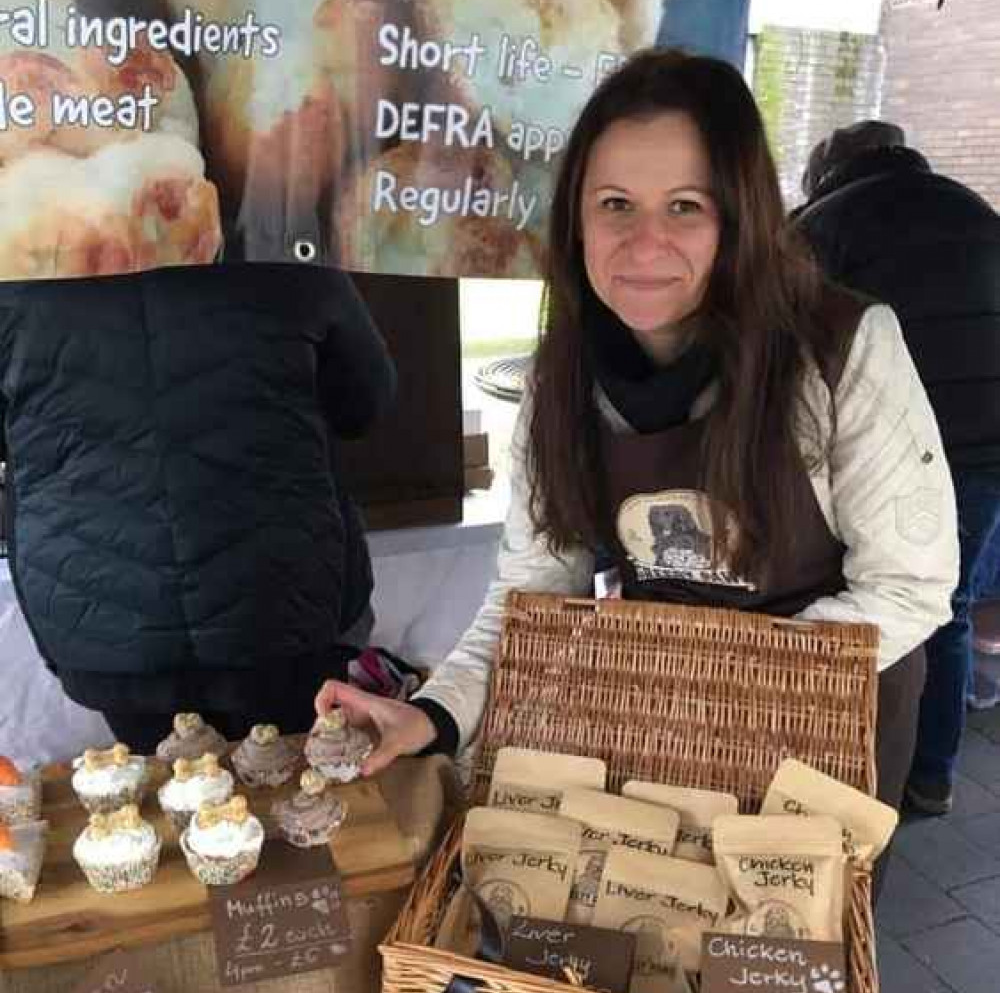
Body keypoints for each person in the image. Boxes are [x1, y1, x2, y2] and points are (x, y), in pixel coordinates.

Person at [315, 49, 958, 828]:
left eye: (685, 205)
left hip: (823, 736)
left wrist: (701, 687)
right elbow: (533, 589)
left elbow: (909, 588)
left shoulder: (842, 348)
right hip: (657, 730)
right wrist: (436, 714)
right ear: (576, 218)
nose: (645, 243)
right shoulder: (565, 376)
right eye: (616, 204)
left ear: (739, 216)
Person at [0, 262, 396, 752]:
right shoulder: (284, 251)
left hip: (103, 610)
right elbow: (365, 403)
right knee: (299, 794)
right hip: (279, 601)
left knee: (166, 801)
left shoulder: (20, 262)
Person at [798, 120, 1000, 816]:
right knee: (942, 607)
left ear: (826, 172)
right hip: (985, 454)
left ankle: (842, 768)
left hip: (880, 453)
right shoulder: (976, 211)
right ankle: (932, 776)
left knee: (864, 605)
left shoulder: (823, 225)